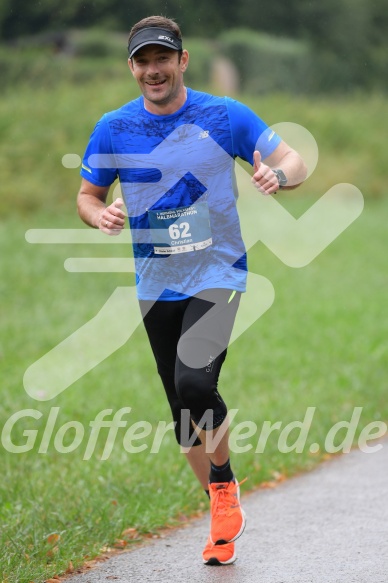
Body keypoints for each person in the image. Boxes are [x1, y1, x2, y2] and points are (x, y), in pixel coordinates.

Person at [77, 15, 307, 566]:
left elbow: (292, 158)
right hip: (156, 283)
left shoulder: (223, 115)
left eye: (162, 58)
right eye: (142, 61)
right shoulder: (113, 126)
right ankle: (220, 524)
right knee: (183, 414)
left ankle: (224, 486)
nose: (152, 70)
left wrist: (281, 176)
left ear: (182, 61)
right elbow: (86, 195)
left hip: (218, 273)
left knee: (195, 383)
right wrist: (99, 214)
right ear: (132, 67)